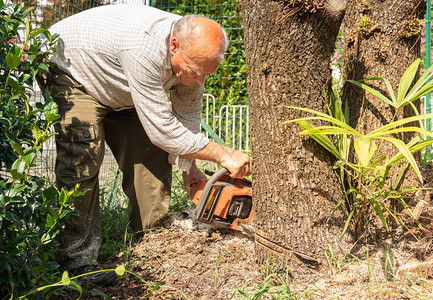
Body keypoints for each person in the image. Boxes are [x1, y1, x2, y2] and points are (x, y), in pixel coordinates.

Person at [37, 4, 252, 286]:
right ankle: (77, 264)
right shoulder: (143, 48)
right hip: (71, 70)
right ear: (173, 45)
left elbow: (186, 117)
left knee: (148, 154)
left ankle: (152, 238)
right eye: (195, 71)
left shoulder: (193, 56)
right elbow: (163, 130)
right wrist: (222, 154)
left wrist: (191, 169)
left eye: (206, 73)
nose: (199, 80)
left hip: (119, 82)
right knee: (82, 156)